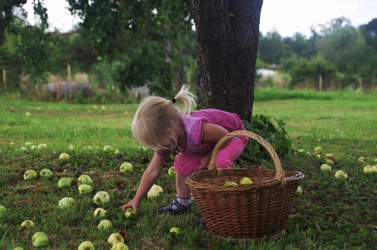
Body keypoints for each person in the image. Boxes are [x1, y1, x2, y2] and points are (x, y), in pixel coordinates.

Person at [121, 85, 248, 215]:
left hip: (233, 135)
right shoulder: (170, 137)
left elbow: (224, 137)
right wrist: (136, 200)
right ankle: (183, 203)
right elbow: (153, 170)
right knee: (181, 162)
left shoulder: (195, 130)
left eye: (156, 143)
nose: (156, 148)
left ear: (169, 133)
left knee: (219, 162)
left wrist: (209, 157)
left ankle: (223, 208)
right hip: (213, 142)